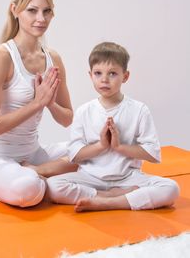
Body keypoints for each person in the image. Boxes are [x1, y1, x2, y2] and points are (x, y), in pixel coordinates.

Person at [0, 0, 77, 208]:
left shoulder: (53, 58)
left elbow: (68, 119)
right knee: (27, 189)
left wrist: (49, 104)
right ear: (15, 9)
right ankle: (50, 181)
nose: (41, 18)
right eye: (32, 10)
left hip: (33, 155)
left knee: (95, 149)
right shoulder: (1, 58)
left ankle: (41, 174)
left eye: (47, 11)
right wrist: (36, 104)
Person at [47, 42, 180, 212]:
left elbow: (152, 153)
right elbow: (75, 155)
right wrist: (101, 145)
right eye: (98, 73)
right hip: (91, 177)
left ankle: (108, 202)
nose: (104, 79)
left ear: (125, 76)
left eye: (112, 73)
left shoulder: (139, 110)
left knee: (171, 188)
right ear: (90, 75)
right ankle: (108, 196)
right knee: (52, 185)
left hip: (128, 178)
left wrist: (119, 147)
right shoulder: (83, 111)